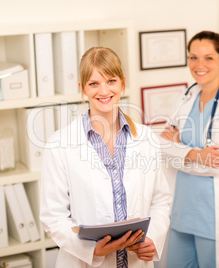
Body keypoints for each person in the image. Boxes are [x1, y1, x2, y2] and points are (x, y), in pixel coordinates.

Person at [40, 46, 171, 268]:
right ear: (82, 88)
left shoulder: (146, 138)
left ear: (122, 83)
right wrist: (91, 250)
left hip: (135, 261)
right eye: (94, 83)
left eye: (111, 81)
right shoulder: (59, 144)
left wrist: (152, 239)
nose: (103, 91)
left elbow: (161, 200)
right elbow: (53, 217)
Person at [159, 31, 219, 267]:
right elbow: (161, 146)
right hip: (180, 212)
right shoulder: (186, 97)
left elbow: (217, 164)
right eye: (193, 57)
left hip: (212, 215)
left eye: (208, 58)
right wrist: (195, 153)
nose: (199, 65)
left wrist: (179, 148)